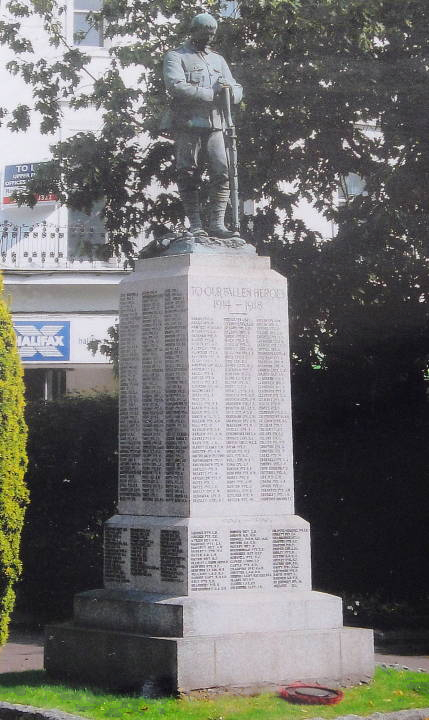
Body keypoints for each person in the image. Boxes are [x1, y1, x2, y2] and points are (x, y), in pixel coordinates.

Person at [162, 12, 243, 238]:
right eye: (205, 34)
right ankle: (196, 224)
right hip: (189, 123)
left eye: (212, 35)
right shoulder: (176, 56)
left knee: (223, 171)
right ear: (194, 31)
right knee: (188, 173)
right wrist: (212, 93)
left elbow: (237, 88)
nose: (209, 38)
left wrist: (231, 92)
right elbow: (176, 86)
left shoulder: (218, 59)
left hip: (216, 123)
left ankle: (217, 223)